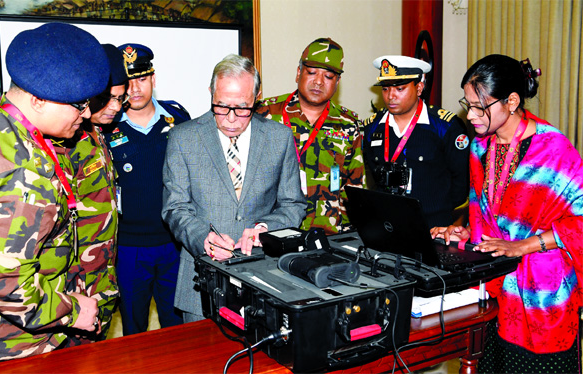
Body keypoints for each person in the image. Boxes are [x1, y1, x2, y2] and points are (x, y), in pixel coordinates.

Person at [431, 54, 582, 374]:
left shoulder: (553, 148)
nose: (469, 115)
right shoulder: (478, 148)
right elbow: (485, 214)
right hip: (495, 290)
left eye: (479, 106)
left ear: (512, 101)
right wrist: (465, 232)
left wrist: (522, 246)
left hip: (543, 296)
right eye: (467, 103)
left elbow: (579, 222)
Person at [0, 22, 109, 363]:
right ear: (37, 99)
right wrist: (73, 311)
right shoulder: (22, 170)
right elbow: (7, 285)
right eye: (77, 104)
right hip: (10, 347)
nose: (85, 115)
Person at [162, 54, 307, 322]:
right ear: (210, 93)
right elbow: (175, 208)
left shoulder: (279, 138)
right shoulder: (183, 138)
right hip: (200, 282)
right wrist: (203, 238)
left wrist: (265, 229)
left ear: (257, 97)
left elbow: (293, 205)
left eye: (242, 107)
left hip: (264, 279)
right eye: (221, 106)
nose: (231, 118)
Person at [103, 43, 191, 336]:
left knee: (177, 328)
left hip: (174, 244)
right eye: (127, 82)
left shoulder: (178, 119)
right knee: (133, 329)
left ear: (153, 78)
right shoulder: (105, 126)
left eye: (142, 78)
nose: (135, 89)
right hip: (128, 248)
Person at [256, 37, 364, 235]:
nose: (318, 82)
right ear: (299, 73)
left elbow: (355, 190)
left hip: (331, 235)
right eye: (312, 72)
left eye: (328, 77)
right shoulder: (265, 114)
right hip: (275, 232)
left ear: (337, 82)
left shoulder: (348, 124)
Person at [62, 44, 129, 344]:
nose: (115, 107)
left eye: (121, 98)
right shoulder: (66, 139)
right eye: (108, 99)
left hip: (102, 276)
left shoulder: (99, 134)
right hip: (72, 289)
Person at [363, 55, 469, 228]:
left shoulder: (445, 127)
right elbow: (373, 178)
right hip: (389, 224)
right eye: (385, 89)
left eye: (400, 89)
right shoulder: (372, 127)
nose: (391, 96)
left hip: (434, 226)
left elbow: (460, 183)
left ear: (419, 87)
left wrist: (444, 214)